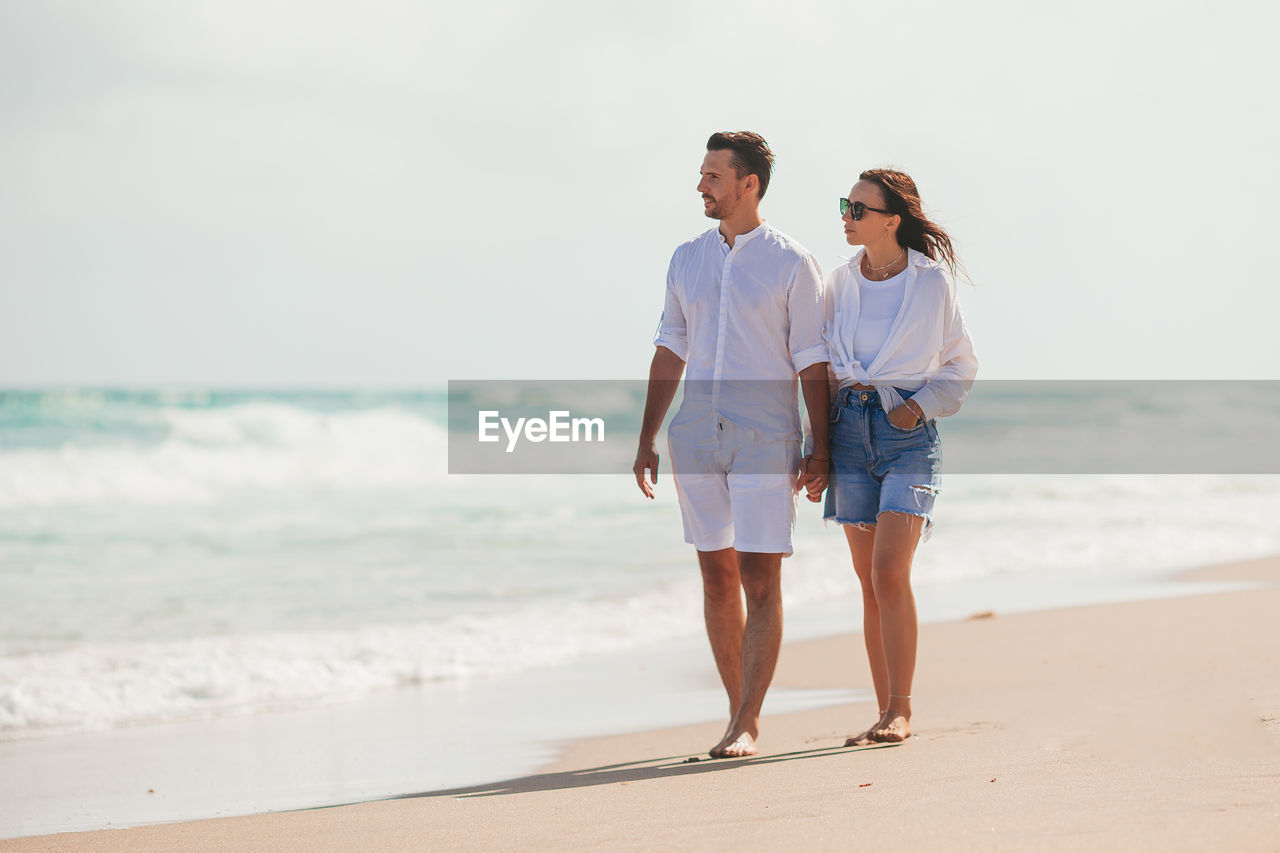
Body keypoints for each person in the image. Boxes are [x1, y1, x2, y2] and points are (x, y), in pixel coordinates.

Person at [633, 131, 831, 759]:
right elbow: (670, 346)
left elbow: (812, 361)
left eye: (714, 176)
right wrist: (647, 437)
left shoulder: (792, 262)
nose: (701, 186)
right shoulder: (686, 258)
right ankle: (735, 715)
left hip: (766, 438)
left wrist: (820, 445)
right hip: (696, 435)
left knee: (759, 577)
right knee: (716, 577)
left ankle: (748, 720)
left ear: (749, 184)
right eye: (701, 174)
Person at [824, 168, 978, 744]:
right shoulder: (838, 283)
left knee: (891, 571)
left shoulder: (930, 283)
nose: (847, 215)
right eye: (846, 205)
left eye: (859, 208)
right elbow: (821, 370)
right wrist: (814, 445)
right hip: (846, 432)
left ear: (892, 219)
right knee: (868, 579)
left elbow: (960, 365)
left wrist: (915, 409)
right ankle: (883, 709)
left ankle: (902, 709)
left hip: (905, 435)